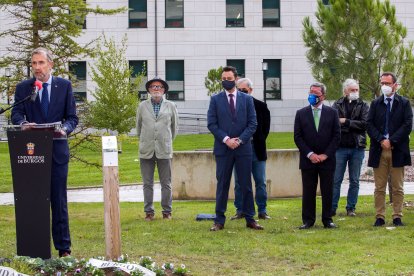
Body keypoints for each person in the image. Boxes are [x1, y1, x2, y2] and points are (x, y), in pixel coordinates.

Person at [11, 47, 78, 257]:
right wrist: (22, 124)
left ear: (51, 64)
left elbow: (72, 118)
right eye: (33, 64)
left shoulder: (64, 86)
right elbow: (16, 113)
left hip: (57, 151)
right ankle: (34, 247)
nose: (37, 68)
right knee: (33, 199)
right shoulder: (24, 88)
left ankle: (63, 248)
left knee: (58, 200)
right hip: (32, 155)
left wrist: (64, 129)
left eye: (41, 63)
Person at [207, 66, 263, 231]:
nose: (226, 81)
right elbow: (212, 123)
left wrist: (239, 140)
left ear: (236, 79)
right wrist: (226, 139)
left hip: (243, 149)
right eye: (223, 79)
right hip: (223, 150)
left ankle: (250, 218)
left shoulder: (247, 100)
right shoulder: (215, 99)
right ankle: (219, 220)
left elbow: (253, 123)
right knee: (222, 184)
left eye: (229, 78)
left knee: (246, 184)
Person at [367, 72, 413, 227]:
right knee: (379, 187)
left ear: (395, 85)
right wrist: (381, 140)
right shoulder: (375, 103)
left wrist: (391, 140)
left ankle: (397, 216)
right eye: (382, 83)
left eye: (387, 83)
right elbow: (369, 124)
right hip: (379, 150)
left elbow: (407, 125)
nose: (384, 86)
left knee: (397, 186)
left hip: (397, 149)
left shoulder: (404, 103)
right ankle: (379, 216)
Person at [293, 82, 340, 229]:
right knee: (308, 191)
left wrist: (326, 154)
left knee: (327, 190)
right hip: (308, 160)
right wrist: (310, 154)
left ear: (323, 96)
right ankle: (308, 220)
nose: (312, 96)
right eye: (310, 92)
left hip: (327, 160)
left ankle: (327, 219)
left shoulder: (332, 113)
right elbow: (298, 137)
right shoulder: (301, 113)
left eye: (315, 94)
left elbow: (336, 136)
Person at [136, 77, 178, 221]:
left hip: (164, 149)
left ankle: (167, 211)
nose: (156, 89)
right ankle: (149, 212)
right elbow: (138, 127)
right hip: (146, 149)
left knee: (166, 183)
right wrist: (145, 140)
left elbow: (174, 128)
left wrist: (166, 141)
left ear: (164, 90)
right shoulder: (142, 106)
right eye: (153, 86)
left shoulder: (171, 105)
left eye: (159, 87)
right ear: (148, 90)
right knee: (147, 183)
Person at [230, 78, 271, 220]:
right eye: (239, 90)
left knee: (260, 181)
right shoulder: (233, 107)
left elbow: (265, 129)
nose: (241, 93)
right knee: (239, 183)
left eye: (244, 90)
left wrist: (255, 140)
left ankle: (262, 210)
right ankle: (240, 210)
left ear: (251, 90)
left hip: (256, 149)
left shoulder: (261, 106)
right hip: (239, 150)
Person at [331, 79, 369, 217]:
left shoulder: (363, 105)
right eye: (352, 90)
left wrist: (346, 122)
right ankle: (332, 207)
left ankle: (351, 208)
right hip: (340, 148)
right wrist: (352, 125)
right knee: (336, 179)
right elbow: (334, 123)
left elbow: (364, 124)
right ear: (345, 91)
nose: (355, 92)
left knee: (354, 180)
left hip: (357, 147)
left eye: (357, 90)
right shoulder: (337, 104)